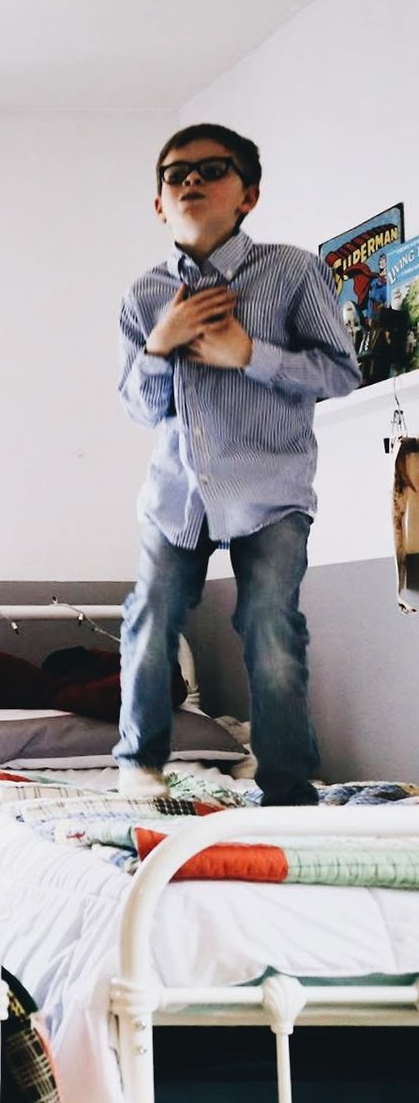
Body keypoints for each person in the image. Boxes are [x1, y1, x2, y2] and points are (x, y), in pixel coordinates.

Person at [114, 125, 360, 804]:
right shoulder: (143, 297)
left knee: (270, 625)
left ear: (247, 194)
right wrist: (162, 344)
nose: (191, 180)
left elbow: (342, 374)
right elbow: (139, 408)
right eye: (175, 173)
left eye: (212, 169)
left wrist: (250, 353)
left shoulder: (293, 271)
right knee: (151, 616)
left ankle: (286, 784)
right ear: (159, 204)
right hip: (177, 494)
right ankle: (138, 761)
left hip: (271, 487)